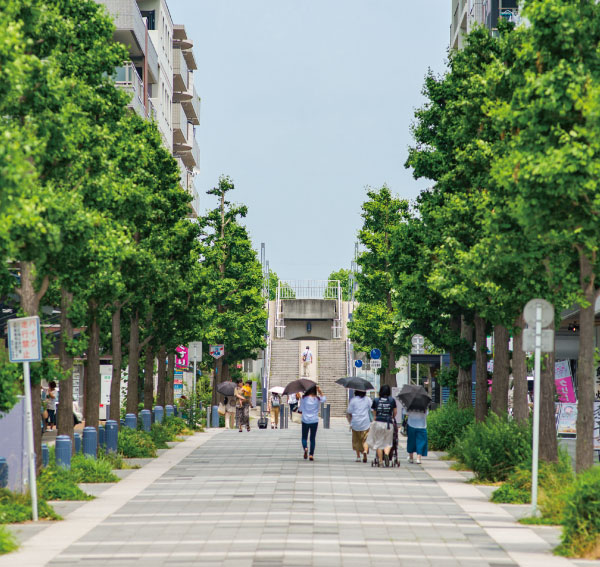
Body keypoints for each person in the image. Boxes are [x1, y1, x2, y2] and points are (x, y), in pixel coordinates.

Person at [366, 385, 397, 467]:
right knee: (388, 442)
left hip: (378, 422)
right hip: (388, 423)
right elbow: (395, 412)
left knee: (379, 443)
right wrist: (392, 417)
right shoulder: (392, 400)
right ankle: (386, 454)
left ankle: (380, 461)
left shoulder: (376, 400)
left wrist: (375, 417)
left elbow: (374, 412)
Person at [299, 385, 326, 461]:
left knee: (304, 437)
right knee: (312, 438)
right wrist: (320, 391)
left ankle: (306, 448)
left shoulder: (304, 399)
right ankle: (311, 454)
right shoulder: (317, 399)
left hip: (305, 420)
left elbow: (300, 409)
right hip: (314, 420)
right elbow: (324, 399)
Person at [346, 390, 372, 462]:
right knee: (365, 440)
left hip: (355, 422)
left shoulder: (353, 400)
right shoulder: (368, 399)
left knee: (356, 440)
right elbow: (372, 409)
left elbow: (349, 411)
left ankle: (358, 457)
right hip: (365, 423)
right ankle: (365, 451)